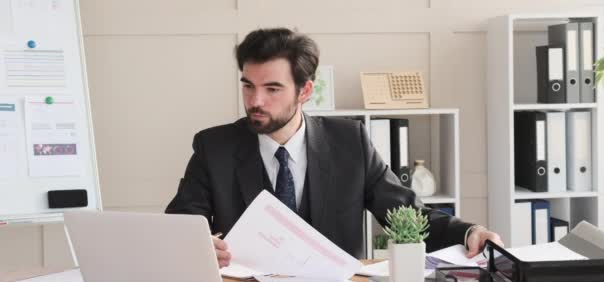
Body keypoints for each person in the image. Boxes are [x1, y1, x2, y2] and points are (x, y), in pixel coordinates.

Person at [166, 28, 503, 267]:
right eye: (248, 86)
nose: (255, 101)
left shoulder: (350, 142)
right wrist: (196, 244)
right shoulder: (214, 146)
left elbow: (407, 214)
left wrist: (471, 232)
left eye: (272, 89)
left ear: (305, 90)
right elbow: (182, 219)